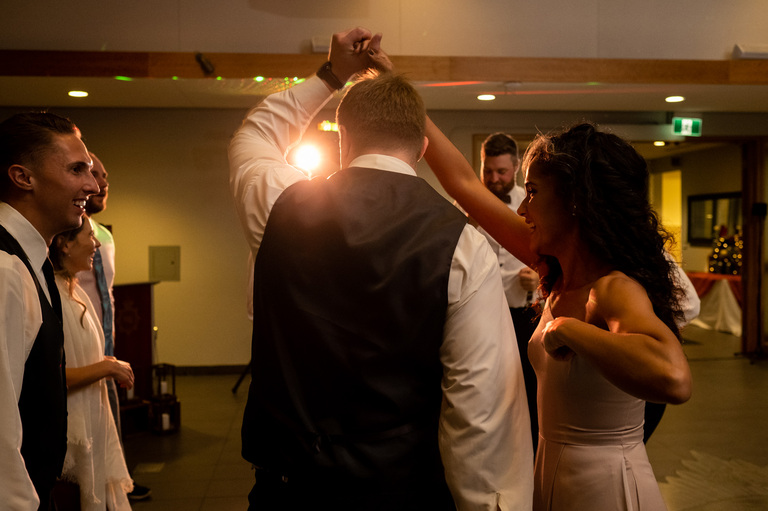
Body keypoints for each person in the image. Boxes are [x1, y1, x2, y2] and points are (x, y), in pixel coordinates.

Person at [228, 28, 533, 510]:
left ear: (343, 137)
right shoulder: (462, 242)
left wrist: (332, 74)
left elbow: (256, 133)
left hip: (289, 490)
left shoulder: (278, 204)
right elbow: (480, 406)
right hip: (399, 489)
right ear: (420, 145)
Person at [424, 119, 692, 510]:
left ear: (574, 202)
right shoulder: (557, 269)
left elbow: (675, 378)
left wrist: (568, 329)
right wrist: (407, 104)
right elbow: (463, 185)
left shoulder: (612, 289)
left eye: (532, 192)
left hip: (606, 487)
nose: (521, 206)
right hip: (551, 476)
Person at [0, 112, 98, 510]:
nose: (92, 186)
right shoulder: (5, 269)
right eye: (77, 170)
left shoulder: (33, 258)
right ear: (24, 177)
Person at [76, 152, 152, 501]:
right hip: (76, 345)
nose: (103, 183)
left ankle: (117, 483)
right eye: (94, 174)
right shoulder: (66, 235)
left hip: (104, 342)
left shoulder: (103, 234)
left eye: (106, 176)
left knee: (109, 417)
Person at [50, 218, 134, 510]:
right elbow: (53, 376)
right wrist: (105, 368)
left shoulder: (76, 290)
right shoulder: (53, 296)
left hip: (93, 418)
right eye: (89, 236)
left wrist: (105, 360)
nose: (97, 243)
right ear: (65, 244)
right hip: (71, 431)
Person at [476, 132, 540, 452]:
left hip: (524, 313)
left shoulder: (534, 207)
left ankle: (526, 447)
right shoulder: (469, 203)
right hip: (482, 313)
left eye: (501, 172)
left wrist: (539, 279)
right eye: (488, 171)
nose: (494, 178)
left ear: (515, 166)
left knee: (526, 385)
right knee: (488, 386)